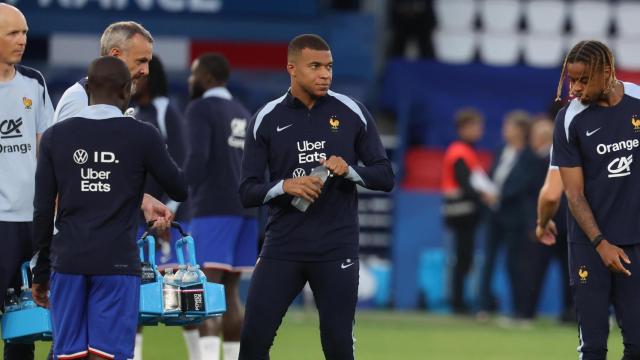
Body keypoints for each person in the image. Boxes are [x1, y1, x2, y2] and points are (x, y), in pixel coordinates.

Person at [238, 34, 394, 359]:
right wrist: (285, 187)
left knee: (337, 347)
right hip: (282, 247)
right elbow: (247, 191)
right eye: (316, 66)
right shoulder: (266, 119)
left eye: (329, 66)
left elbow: (385, 176)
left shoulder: (352, 111)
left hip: (336, 247)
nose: (325, 74)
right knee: (252, 342)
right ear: (292, 69)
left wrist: (349, 170)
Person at [31, 56, 188, 360]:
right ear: (127, 90)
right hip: (117, 263)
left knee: (69, 357)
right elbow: (179, 187)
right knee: (107, 356)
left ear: (87, 88)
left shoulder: (54, 137)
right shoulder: (143, 135)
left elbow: (42, 210)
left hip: (67, 262)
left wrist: (41, 272)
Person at [553, 39, 640, 359]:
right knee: (592, 347)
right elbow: (573, 193)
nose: (574, 88)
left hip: (635, 241)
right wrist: (601, 242)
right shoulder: (568, 119)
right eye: (571, 79)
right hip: (589, 244)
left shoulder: (637, 100)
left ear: (607, 72)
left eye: (583, 80)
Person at [52, 21, 173, 232]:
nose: (146, 71)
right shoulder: (80, 98)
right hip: (80, 238)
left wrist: (141, 200)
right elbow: (65, 175)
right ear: (115, 55)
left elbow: (101, 175)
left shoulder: (114, 103)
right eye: (141, 61)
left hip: (104, 236)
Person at [184, 52, 258, 360]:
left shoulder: (201, 108)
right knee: (230, 295)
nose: (190, 80)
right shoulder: (244, 112)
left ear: (208, 77)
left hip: (213, 208)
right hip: (246, 211)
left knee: (205, 293)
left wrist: (175, 195)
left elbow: (197, 159)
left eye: (194, 73)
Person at [0, 4, 54, 359]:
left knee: (23, 330)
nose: (22, 41)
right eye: (13, 33)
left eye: (24, 32)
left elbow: (47, 152)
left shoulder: (33, 82)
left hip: (29, 225)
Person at [130, 55, 189, 360]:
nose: (136, 79)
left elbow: (181, 163)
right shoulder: (130, 112)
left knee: (185, 294)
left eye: (143, 74)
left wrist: (171, 208)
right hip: (135, 217)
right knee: (133, 293)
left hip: (166, 219)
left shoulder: (167, 111)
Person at [477, 110, 537, 322]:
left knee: (515, 264)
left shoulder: (529, 155)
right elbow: (495, 175)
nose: (505, 130)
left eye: (508, 126)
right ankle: (483, 307)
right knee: (488, 261)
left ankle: (518, 311)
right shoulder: (501, 149)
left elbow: (524, 185)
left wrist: (499, 194)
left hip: (515, 217)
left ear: (520, 130)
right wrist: (487, 191)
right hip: (494, 214)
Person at [441, 108, 495, 314]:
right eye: (475, 126)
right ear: (463, 128)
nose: (479, 130)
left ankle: (459, 300)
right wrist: (485, 196)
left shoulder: (465, 151)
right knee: (463, 257)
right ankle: (458, 302)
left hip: (464, 213)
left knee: (465, 257)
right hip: (461, 213)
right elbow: (465, 184)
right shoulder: (459, 152)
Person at [529, 116, 574, 323]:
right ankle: (571, 312)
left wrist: (541, 221)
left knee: (537, 270)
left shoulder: (539, 159)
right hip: (571, 222)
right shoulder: (572, 153)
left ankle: (527, 312)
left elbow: (547, 195)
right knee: (571, 273)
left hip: (550, 221)